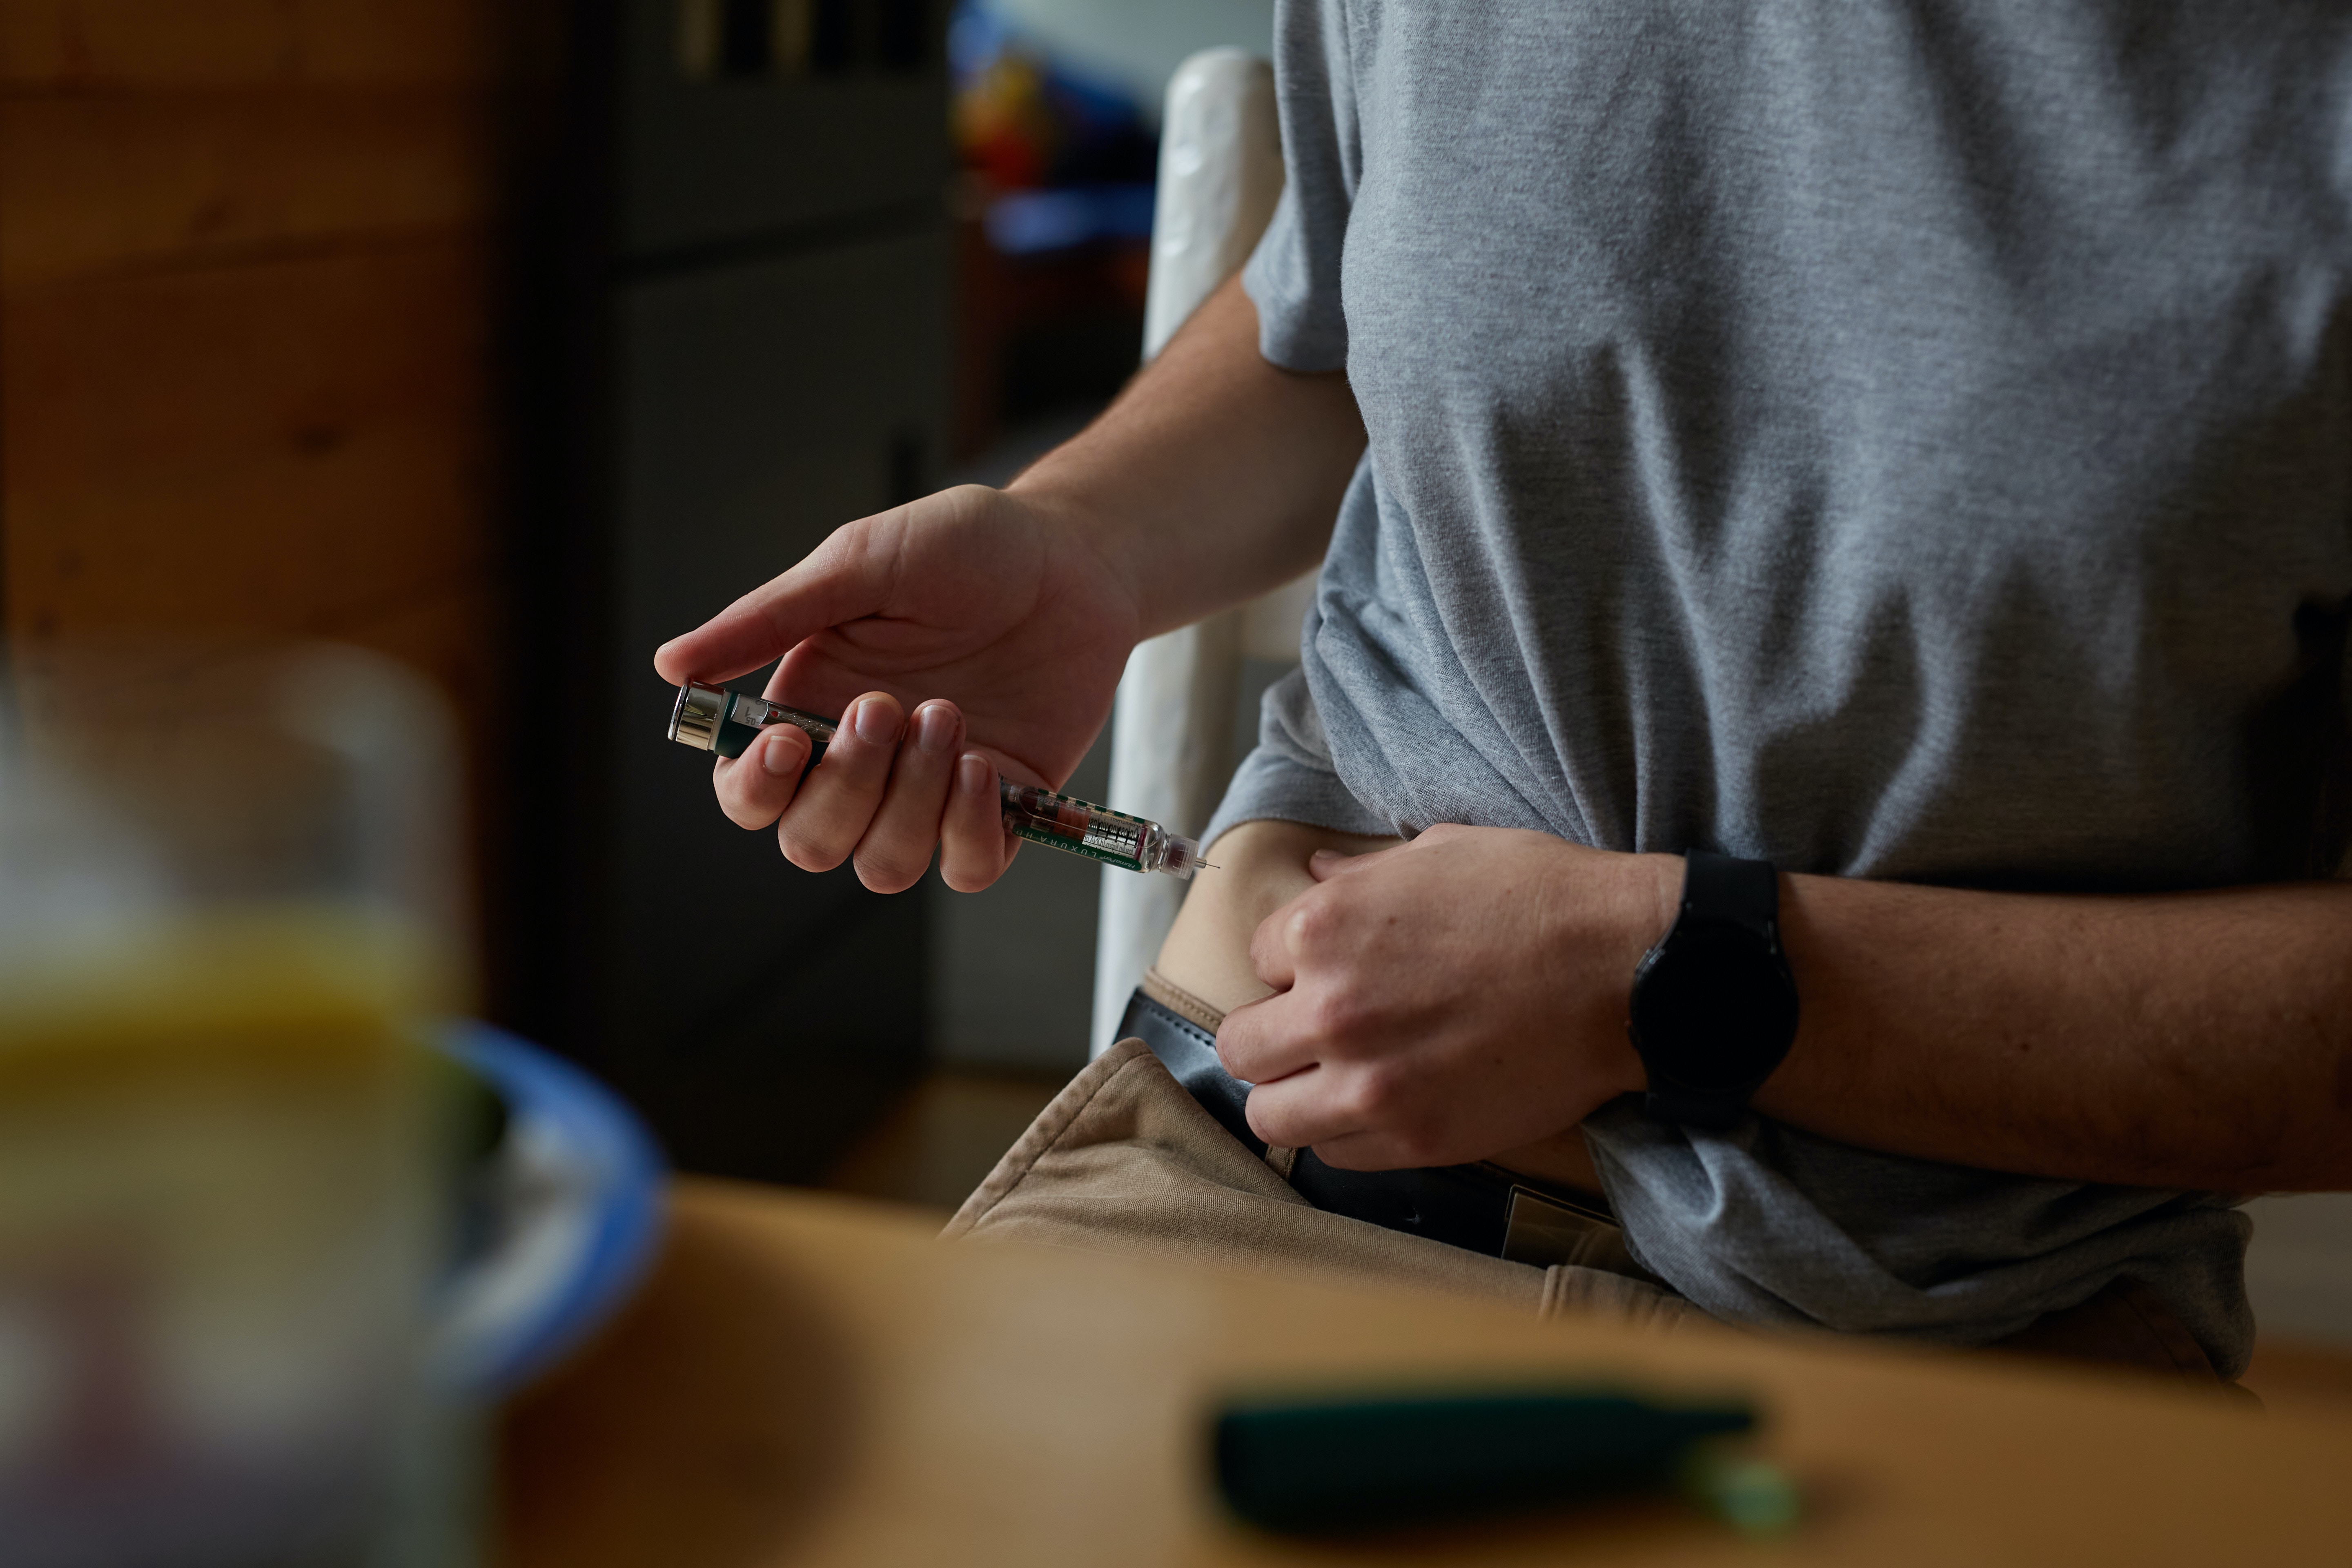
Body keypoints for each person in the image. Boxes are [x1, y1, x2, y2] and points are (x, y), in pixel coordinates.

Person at [657, 0, 2352, 1383]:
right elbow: (1331, 306)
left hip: (1957, 1344)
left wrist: (1667, 978)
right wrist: (1080, 545)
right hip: (1227, 1185)